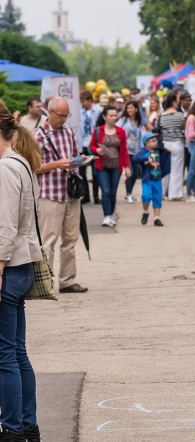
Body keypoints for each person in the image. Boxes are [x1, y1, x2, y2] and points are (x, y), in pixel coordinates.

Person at [0, 99, 44, 442]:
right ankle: (27, 426)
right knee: (16, 349)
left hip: (10, 265)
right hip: (24, 264)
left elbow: (5, 227)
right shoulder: (22, 163)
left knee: (5, 355)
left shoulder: (6, 167)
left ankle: (12, 429)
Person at [33, 97, 88, 294]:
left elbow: (73, 155)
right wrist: (56, 164)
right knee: (48, 241)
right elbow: (33, 167)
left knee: (71, 240)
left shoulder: (68, 132)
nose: (64, 119)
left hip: (70, 193)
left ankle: (67, 280)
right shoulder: (38, 135)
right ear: (50, 112)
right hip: (49, 193)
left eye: (67, 115)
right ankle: (44, 283)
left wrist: (80, 161)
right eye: (61, 115)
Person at [90, 106, 132, 227]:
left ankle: (111, 214)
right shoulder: (98, 130)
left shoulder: (120, 131)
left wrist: (127, 167)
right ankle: (107, 216)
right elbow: (91, 146)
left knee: (113, 192)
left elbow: (124, 150)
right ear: (104, 117)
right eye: (111, 116)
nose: (114, 118)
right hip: (101, 166)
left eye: (115, 115)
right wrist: (97, 150)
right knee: (106, 191)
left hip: (116, 166)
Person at [134, 132, 170, 226]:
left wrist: (167, 151)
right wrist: (146, 158)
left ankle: (157, 218)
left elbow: (164, 152)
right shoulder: (143, 151)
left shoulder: (159, 150)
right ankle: (146, 212)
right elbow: (135, 157)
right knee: (146, 196)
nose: (155, 142)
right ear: (147, 143)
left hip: (157, 179)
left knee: (157, 197)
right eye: (152, 141)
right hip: (147, 179)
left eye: (155, 140)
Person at [156, 92, 185, 200]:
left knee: (164, 169)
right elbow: (184, 128)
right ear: (173, 102)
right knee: (176, 169)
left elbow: (156, 129)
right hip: (177, 143)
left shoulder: (161, 117)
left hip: (165, 144)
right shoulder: (180, 116)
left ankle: (162, 192)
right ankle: (175, 194)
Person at [118, 100, 145, 203]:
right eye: (128, 108)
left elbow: (141, 135)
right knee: (131, 173)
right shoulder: (123, 120)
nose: (129, 110)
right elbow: (118, 131)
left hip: (136, 150)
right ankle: (128, 194)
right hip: (126, 150)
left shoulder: (139, 121)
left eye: (131, 108)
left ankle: (129, 193)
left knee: (136, 172)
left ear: (136, 109)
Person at [79, 90, 102, 205]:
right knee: (82, 171)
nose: (82, 104)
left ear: (89, 100)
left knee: (95, 172)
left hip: (94, 144)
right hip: (83, 144)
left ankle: (96, 196)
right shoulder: (80, 112)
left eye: (83, 101)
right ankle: (86, 195)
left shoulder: (99, 111)